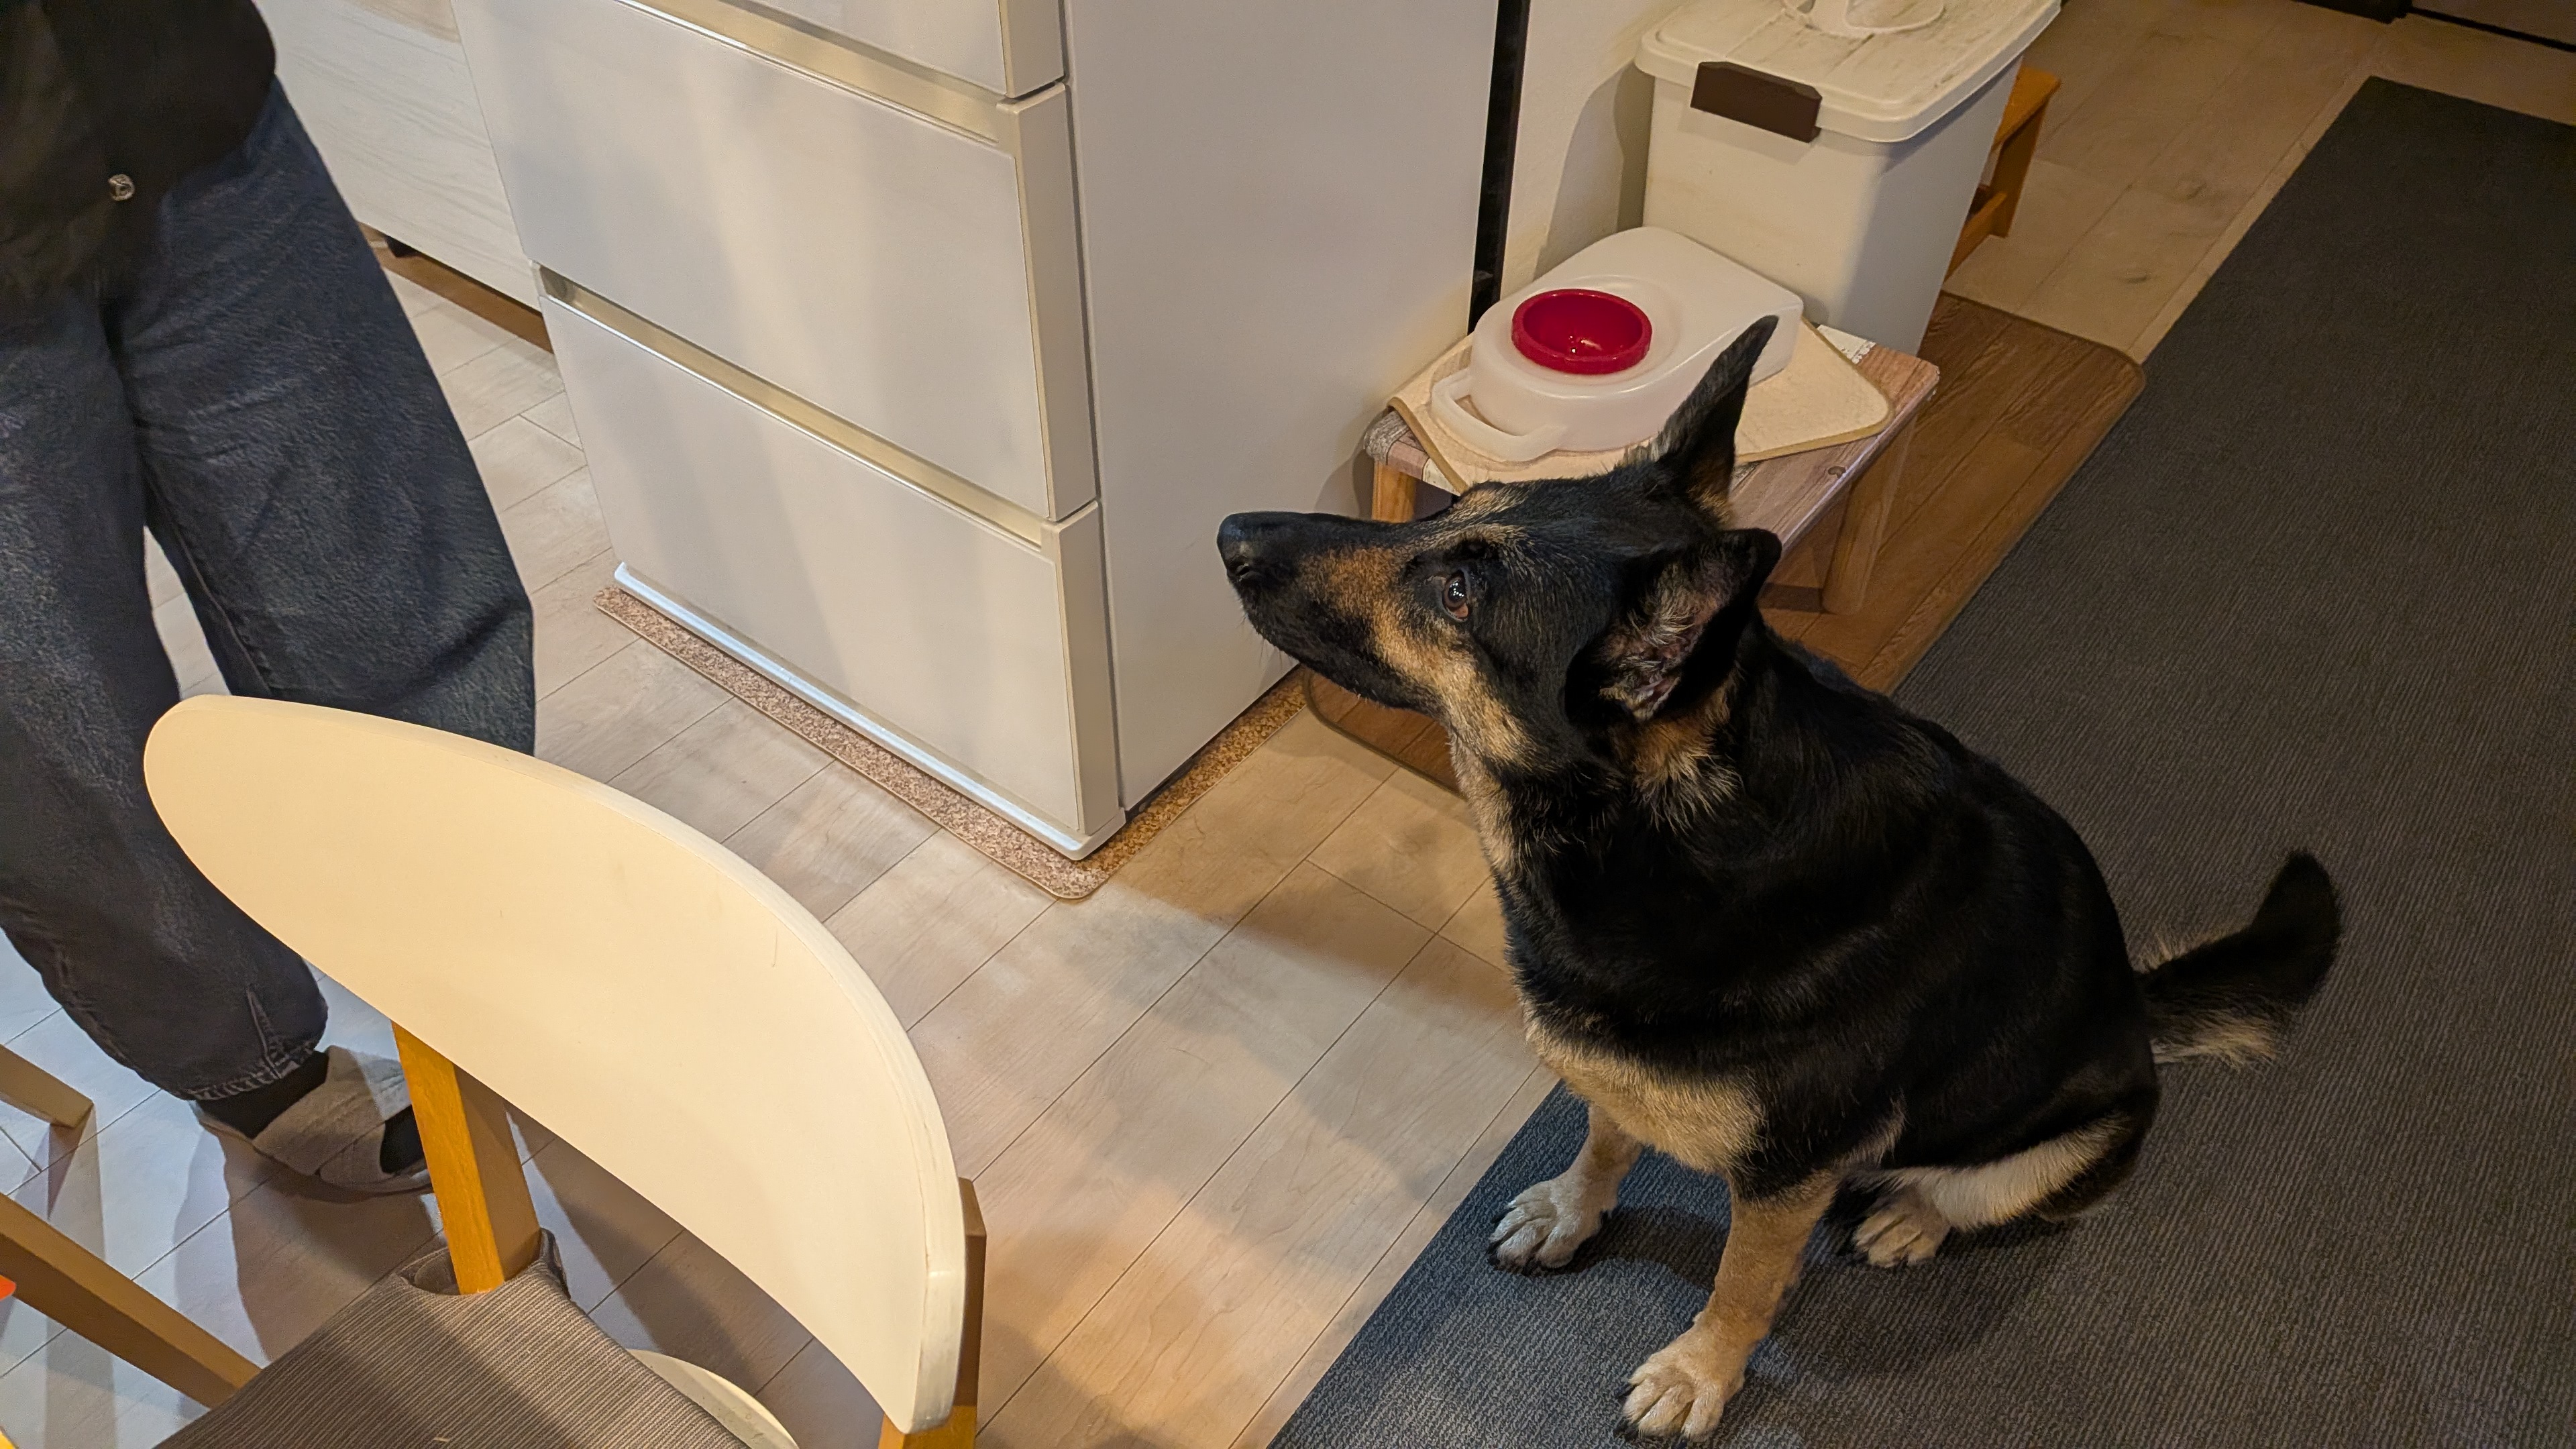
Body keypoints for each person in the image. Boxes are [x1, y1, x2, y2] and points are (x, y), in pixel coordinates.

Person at [0, 0, 533, 1191]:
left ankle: (499, 972)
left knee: (392, 596)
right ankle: (255, 1070)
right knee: (60, 755)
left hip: (166, 88)